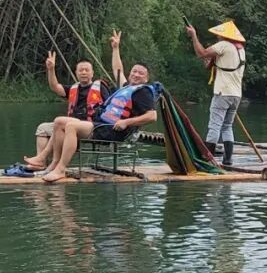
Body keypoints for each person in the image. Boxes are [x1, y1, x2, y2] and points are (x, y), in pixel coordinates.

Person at [41, 30, 158, 182]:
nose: (136, 74)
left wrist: (126, 122)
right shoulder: (126, 87)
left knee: (71, 126)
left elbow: (152, 116)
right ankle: (54, 164)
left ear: (146, 78)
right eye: (134, 71)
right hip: (102, 125)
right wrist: (115, 48)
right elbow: (118, 70)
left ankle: (61, 169)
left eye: (141, 73)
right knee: (59, 121)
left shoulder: (142, 92)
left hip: (113, 130)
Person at [23, 55, 111, 169]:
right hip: (69, 125)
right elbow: (55, 87)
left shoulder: (100, 88)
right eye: (81, 70)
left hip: (90, 127)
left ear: (92, 73)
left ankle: (43, 158)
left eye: (87, 70)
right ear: (76, 73)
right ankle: (41, 163)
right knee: (42, 128)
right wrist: (51, 69)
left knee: (60, 123)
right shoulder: (73, 88)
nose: (84, 72)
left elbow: (110, 107)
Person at [185, 21, 246, 167]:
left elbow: (201, 53)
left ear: (224, 35)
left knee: (215, 126)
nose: (217, 36)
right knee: (227, 126)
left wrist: (194, 36)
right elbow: (212, 63)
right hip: (236, 95)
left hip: (222, 92)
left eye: (219, 34)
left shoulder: (224, 45)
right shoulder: (240, 49)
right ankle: (228, 159)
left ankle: (208, 160)